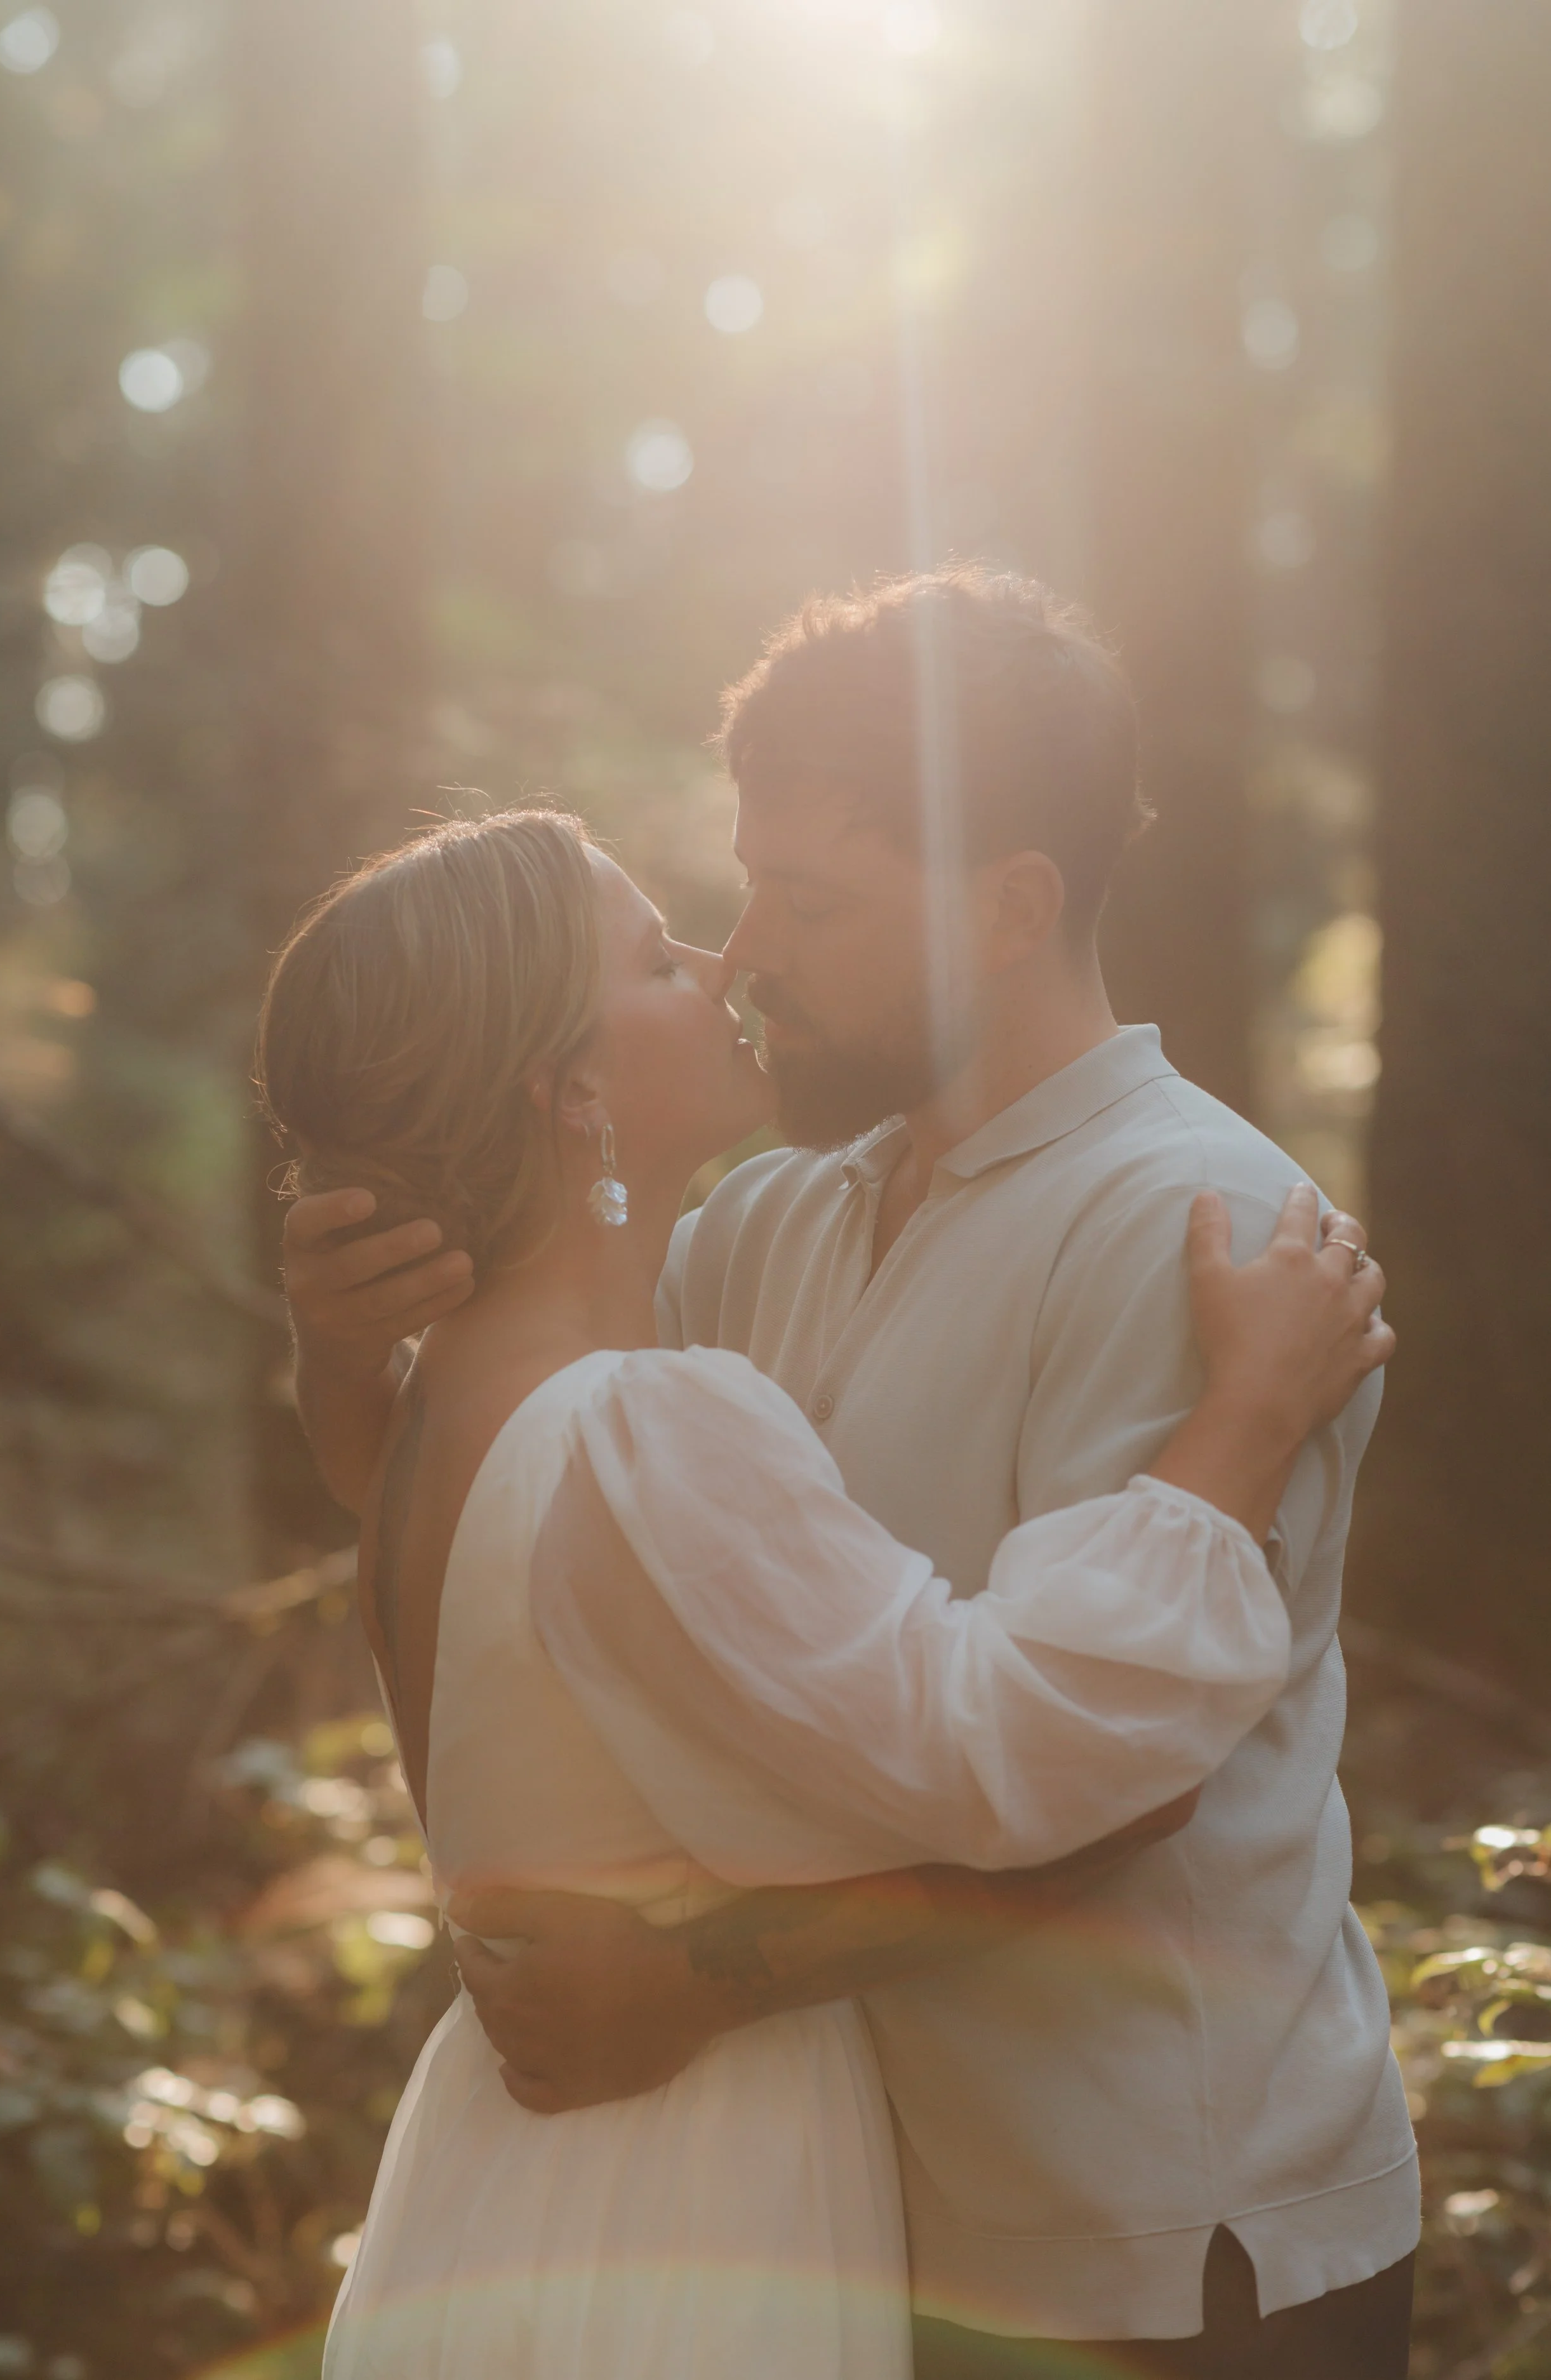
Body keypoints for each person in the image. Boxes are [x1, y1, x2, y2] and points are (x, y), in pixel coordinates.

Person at [282, 568, 1417, 2380]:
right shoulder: (767, 1222)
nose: (745, 955)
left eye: (802, 899)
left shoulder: (1191, 1229)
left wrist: (703, 1975)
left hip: (1148, 2244)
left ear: (1009, 905)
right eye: (723, 904)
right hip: (855, 2223)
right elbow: (539, 1548)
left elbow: (1116, 1780)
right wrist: (359, 1345)